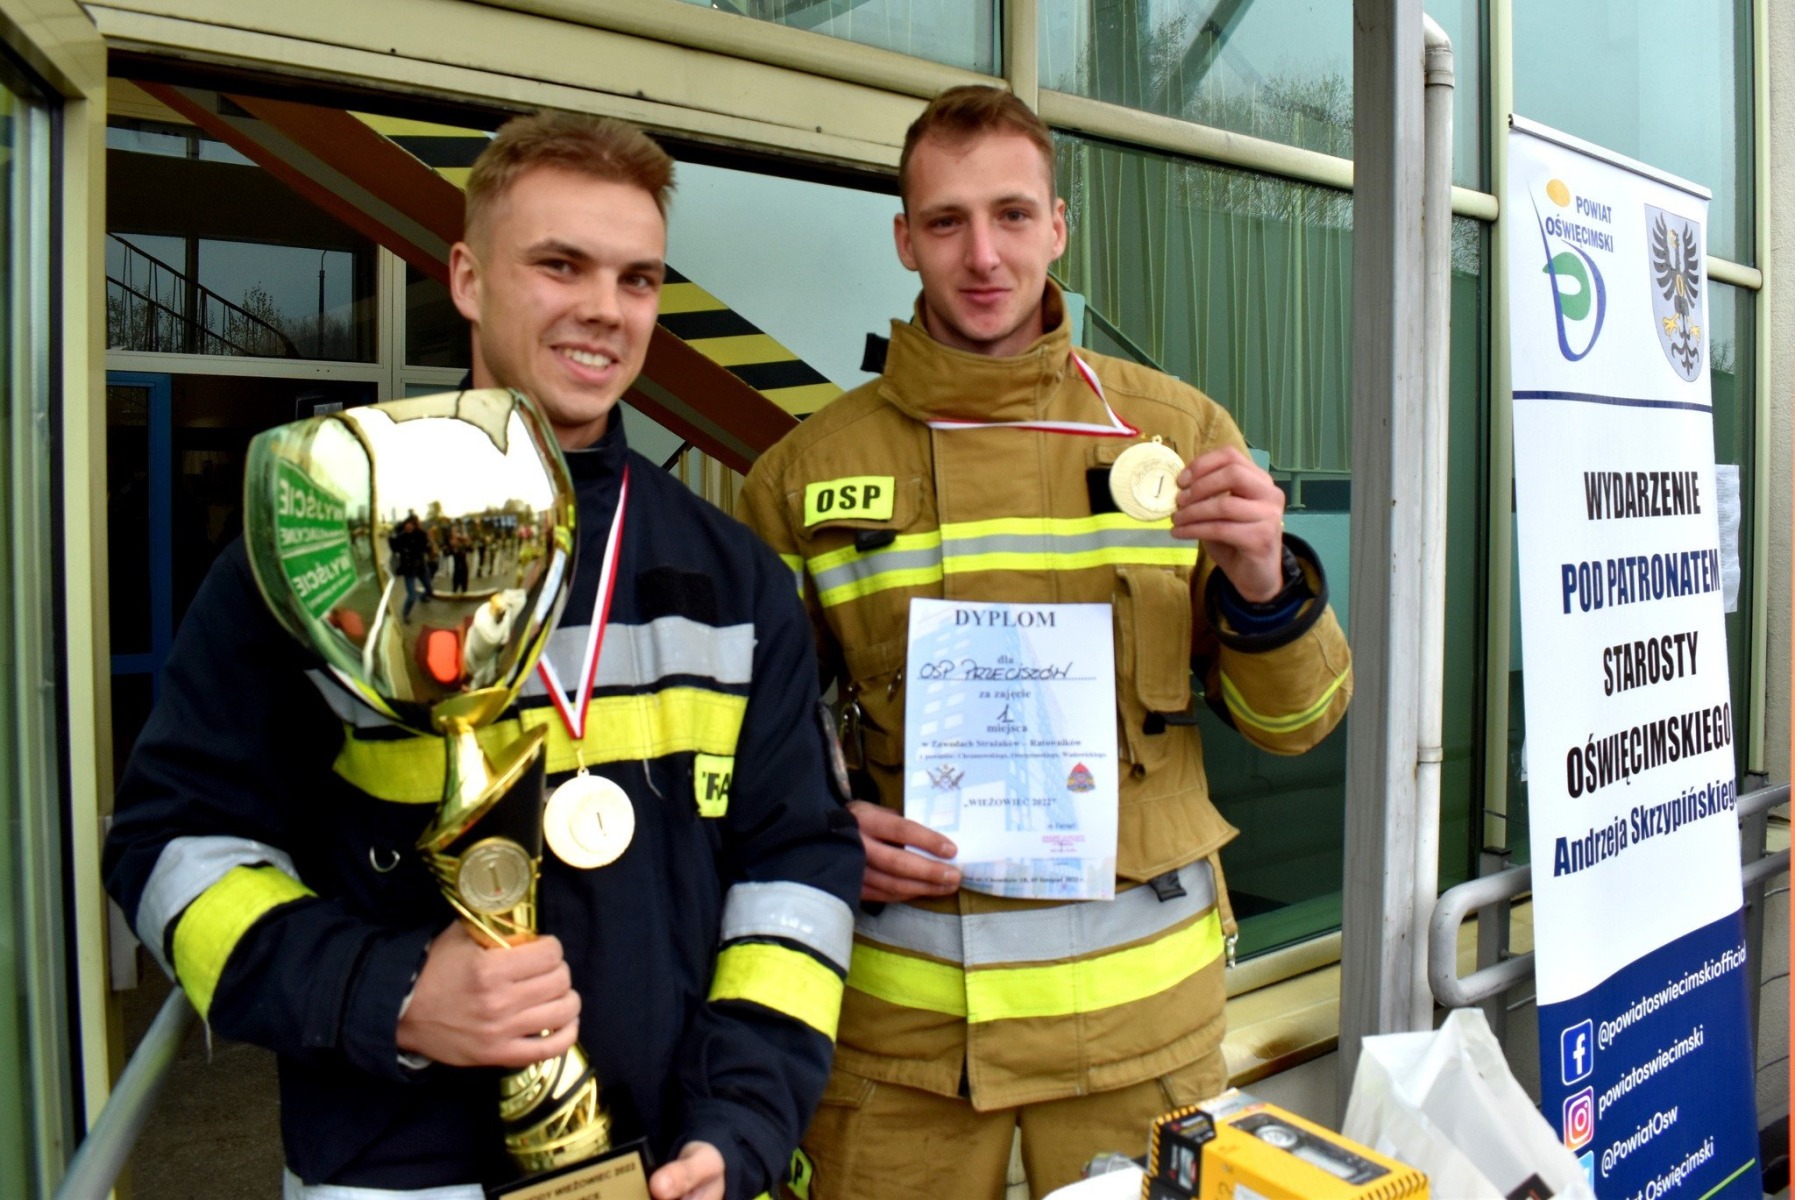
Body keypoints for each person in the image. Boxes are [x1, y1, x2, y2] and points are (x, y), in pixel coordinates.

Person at [105, 112, 864, 1200]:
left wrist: (740, 1119)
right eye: (560, 264)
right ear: (466, 277)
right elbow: (173, 853)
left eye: (637, 279)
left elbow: (796, 872)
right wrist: (389, 993)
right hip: (395, 1172)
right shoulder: (321, 542)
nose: (604, 309)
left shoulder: (735, 578)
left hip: (669, 1165)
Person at [739, 85, 1353, 1199]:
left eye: (1013, 215)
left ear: (1059, 226)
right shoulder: (802, 476)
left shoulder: (1176, 433)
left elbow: (1298, 722)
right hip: (898, 1047)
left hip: (1144, 1041)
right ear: (902, 239)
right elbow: (744, 749)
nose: (983, 254)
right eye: (946, 221)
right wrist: (825, 825)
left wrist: (1264, 580)